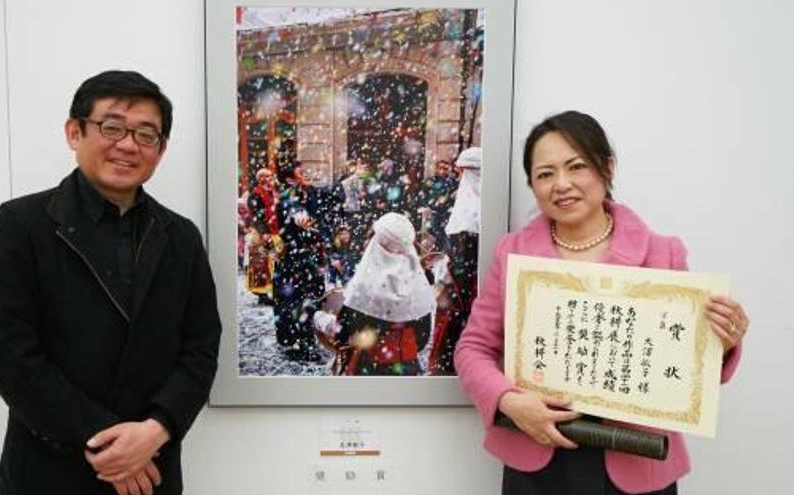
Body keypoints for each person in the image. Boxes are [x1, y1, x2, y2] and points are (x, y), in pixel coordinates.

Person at [454, 111, 748, 494]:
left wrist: (721, 343)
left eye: (576, 167)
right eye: (545, 174)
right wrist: (508, 401)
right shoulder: (513, 255)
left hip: (636, 458)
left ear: (607, 168)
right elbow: (473, 348)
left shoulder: (664, 253)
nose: (562, 184)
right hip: (538, 458)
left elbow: (686, 370)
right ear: (532, 184)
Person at [0, 70, 222, 495]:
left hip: (153, 473)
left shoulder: (181, 237)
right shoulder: (21, 225)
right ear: (75, 132)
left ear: (160, 150)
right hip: (50, 470)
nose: (128, 144)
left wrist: (155, 431)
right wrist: (111, 444)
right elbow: (11, 358)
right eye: (111, 127)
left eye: (146, 135)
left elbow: (200, 350)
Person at [313, 212, 436, 375]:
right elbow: (421, 341)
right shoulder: (419, 287)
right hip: (407, 370)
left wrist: (321, 319)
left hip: (368, 369)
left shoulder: (364, 288)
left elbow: (342, 335)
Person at [428, 147, 482, 375]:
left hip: (466, 294)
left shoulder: (470, 211)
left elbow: (461, 262)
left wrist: (445, 267)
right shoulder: (477, 207)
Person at [273, 161, 325, 363]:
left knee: (309, 299)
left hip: (307, 258)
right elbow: (299, 216)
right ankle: (299, 343)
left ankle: (304, 340)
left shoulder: (308, 194)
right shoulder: (288, 200)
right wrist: (304, 220)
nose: (307, 175)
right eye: (301, 173)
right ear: (290, 179)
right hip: (294, 260)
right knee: (296, 301)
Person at [246, 167, 279, 304]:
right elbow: (256, 216)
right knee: (261, 263)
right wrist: (264, 232)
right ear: (259, 179)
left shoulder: (274, 193)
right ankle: (262, 294)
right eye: (264, 176)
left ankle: (276, 290)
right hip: (261, 233)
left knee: (274, 262)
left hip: (275, 230)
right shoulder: (255, 195)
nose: (268, 179)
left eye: (270, 176)